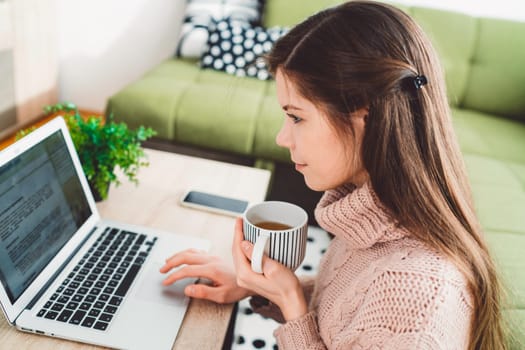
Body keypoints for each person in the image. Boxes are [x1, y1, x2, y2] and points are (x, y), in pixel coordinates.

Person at [160, 1, 508, 349]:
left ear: (364, 116)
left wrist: (295, 309)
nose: (283, 138)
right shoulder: (372, 213)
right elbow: (351, 315)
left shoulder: (418, 296)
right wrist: (261, 287)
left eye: (296, 117)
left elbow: (382, 311)